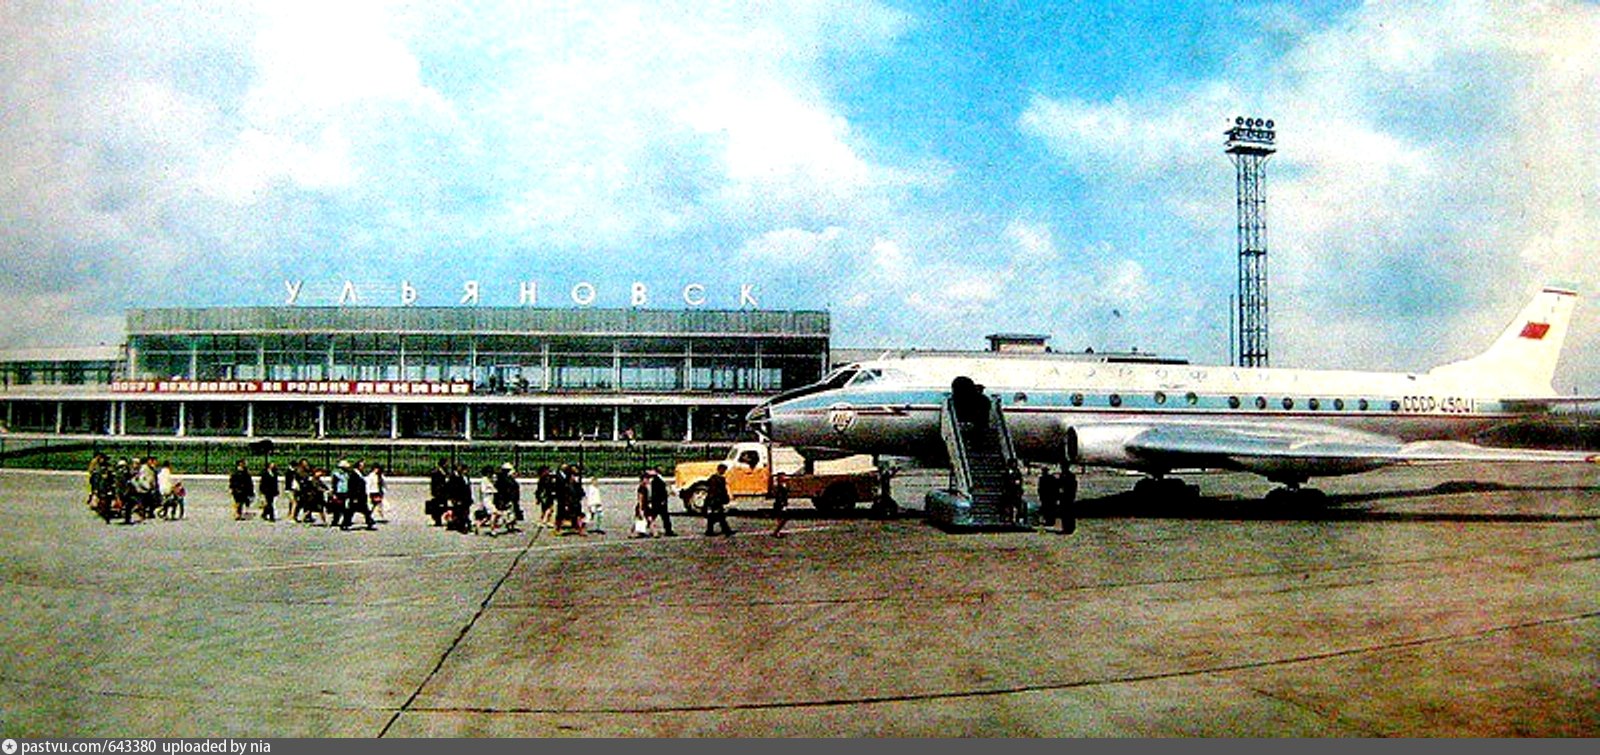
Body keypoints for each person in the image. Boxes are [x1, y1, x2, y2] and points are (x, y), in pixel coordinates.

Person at [342, 460, 374, 530]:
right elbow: (352, 486)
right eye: (362, 465)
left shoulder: (360, 473)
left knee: (365, 510)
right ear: (358, 466)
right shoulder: (353, 474)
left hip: (361, 496)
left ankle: (370, 522)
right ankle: (345, 524)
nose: (363, 467)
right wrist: (354, 497)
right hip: (356, 496)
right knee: (351, 511)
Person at [703, 463, 733, 537]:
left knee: (715, 516)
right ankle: (725, 530)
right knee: (719, 516)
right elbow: (721, 491)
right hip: (716, 500)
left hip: (712, 499)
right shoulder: (720, 479)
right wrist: (725, 499)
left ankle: (711, 530)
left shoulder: (712, 478)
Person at [494, 463, 521, 533]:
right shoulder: (506, 480)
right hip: (507, 499)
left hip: (509, 498)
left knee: (511, 513)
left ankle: (510, 526)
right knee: (508, 513)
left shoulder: (503, 479)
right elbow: (507, 490)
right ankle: (506, 524)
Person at [648, 466, 676, 536]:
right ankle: (668, 531)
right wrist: (662, 500)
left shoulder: (658, 479)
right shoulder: (656, 480)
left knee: (656, 516)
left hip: (659, 501)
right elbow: (657, 492)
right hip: (659, 502)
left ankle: (667, 530)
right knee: (663, 517)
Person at [427, 458, 449, 527]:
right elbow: (433, 483)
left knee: (444, 506)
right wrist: (434, 492)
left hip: (444, 492)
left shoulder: (445, 471)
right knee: (438, 507)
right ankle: (437, 520)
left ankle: (440, 519)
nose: (447, 465)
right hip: (438, 492)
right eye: (446, 463)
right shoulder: (436, 472)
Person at [770, 472, 790, 537]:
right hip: (780, 504)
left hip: (781, 504)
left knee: (782, 519)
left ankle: (777, 532)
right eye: (783, 477)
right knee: (783, 518)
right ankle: (776, 532)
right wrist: (783, 504)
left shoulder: (783, 485)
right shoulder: (779, 487)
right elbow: (779, 496)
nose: (785, 478)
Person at [1059, 466, 1078, 535]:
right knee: (1064, 513)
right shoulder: (1062, 475)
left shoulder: (1070, 476)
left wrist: (1072, 494)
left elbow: (1074, 485)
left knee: (1069, 513)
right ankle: (1065, 527)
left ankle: (1070, 528)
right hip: (1064, 497)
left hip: (1069, 496)